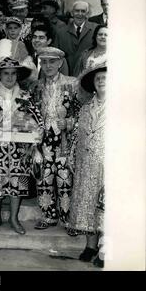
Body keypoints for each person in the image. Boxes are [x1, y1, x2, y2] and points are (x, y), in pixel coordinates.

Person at [0, 41, 44, 235]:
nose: (9, 76)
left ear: (17, 75)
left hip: (19, 148)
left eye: (13, 73)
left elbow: (37, 119)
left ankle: (14, 218)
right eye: (5, 73)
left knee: (17, 182)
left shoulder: (27, 96)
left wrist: (34, 135)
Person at [32, 47, 80, 231]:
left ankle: (68, 219)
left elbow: (81, 112)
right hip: (43, 139)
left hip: (64, 140)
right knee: (44, 178)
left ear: (60, 63)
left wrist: (68, 122)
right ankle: (48, 216)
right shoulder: (36, 86)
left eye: (52, 61)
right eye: (44, 62)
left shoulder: (73, 84)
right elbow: (30, 116)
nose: (48, 65)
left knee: (64, 179)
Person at [67, 63, 106, 268]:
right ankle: (90, 245)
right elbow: (75, 136)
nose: (101, 81)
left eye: (105, 78)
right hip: (85, 164)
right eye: (98, 79)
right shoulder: (84, 109)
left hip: (107, 165)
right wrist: (72, 158)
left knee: (105, 207)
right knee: (87, 206)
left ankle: (105, 248)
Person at [54, 1, 98, 75]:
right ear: (72, 13)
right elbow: (56, 56)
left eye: (83, 11)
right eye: (77, 11)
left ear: (87, 14)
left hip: (88, 76)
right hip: (66, 76)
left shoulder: (96, 30)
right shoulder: (61, 32)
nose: (80, 14)